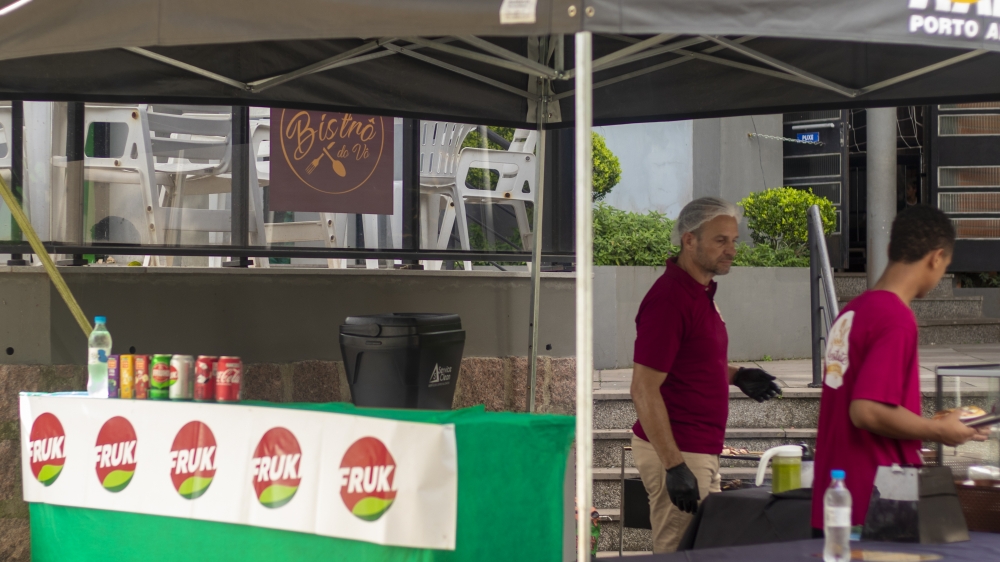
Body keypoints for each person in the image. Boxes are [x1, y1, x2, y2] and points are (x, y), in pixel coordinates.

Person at [811, 205, 989, 533]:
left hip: (835, 501)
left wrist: (940, 423)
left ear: (891, 248)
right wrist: (938, 431)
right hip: (875, 507)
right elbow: (865, 411)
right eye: (945, 266)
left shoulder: (853, 311)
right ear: (936, 258)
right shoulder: (895, 318)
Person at [630, 197, 782, 553]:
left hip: (699, 447)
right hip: (680, 449)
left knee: (703, 552)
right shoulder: (670, 299)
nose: (731, 250)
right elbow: (643, 388)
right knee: (679, 552)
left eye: (734, 240)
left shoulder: (699, 293)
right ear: (689, 240)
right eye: (720, 240)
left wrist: (736, 375)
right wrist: (674, 466)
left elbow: (689, 361)